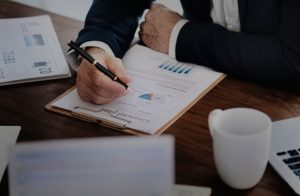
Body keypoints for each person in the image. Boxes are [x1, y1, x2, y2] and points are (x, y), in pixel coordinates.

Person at [74, 0, 300, 104]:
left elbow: (294, 62)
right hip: (197, 92)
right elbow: (120, 4)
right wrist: (98, 50)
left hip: (280, 108)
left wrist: (180, 35)